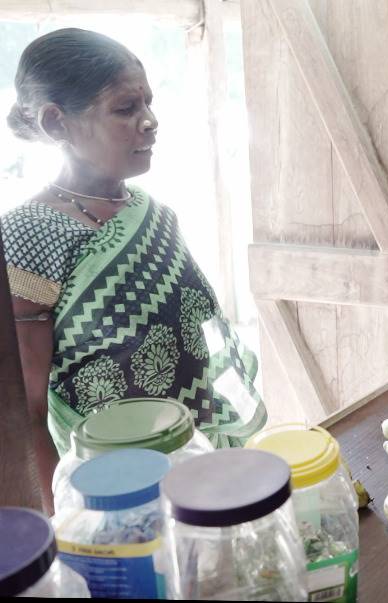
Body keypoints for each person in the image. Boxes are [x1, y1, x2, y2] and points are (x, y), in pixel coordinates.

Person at [3, 28, 266, 514]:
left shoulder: (154, 213)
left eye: (148, 103)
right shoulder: (29, 235)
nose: (150, 122)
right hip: (116, 486)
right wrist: (59, 528)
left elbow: (195, 335)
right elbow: (30, 411)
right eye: (125, 109)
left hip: (198, 456)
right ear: (56, 123)